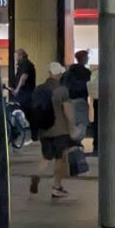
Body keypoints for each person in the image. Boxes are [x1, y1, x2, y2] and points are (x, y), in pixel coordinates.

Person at [29, 62, 73, 199]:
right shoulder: (62, 90)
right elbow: (68, 111)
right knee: (60, 159)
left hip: (44, 130)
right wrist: (73, 126)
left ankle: (37, 174)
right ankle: (56, 187)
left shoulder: (39, 89)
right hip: (60, 130)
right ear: (59, 74)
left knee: (46, 158)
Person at [63, 50, 92, 142]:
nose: (87, 59)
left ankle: (73, 141)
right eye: (87, 57)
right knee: (82, 123)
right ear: (83, 59)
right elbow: (89, 86)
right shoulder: (86, 73)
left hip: (69, 100)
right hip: (81, 99)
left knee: (71, 122)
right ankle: (78, 141)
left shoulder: (68, 73)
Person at [9, 48, 36, 115]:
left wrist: (17, 90)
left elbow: (23, 78)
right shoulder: (22, 65)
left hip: (25, 95)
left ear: (21, 56)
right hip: (23, 94)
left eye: (16, 56)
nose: (16, 58)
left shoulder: (26, 64)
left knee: (22, 112)